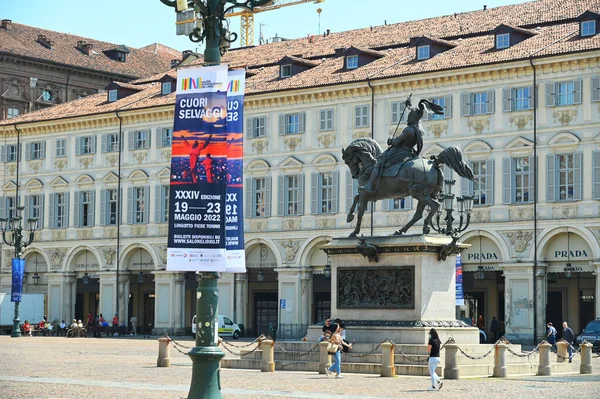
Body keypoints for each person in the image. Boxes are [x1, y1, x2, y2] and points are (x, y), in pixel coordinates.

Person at [361, 98, 442, 193]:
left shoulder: (409, 130)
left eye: (409, 116)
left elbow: (397, 142)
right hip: (409, 152)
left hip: (399, 152)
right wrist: (410, 106)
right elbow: (416, 113)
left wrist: (391, 140)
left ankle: (370, 185)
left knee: (378, 163)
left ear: (412, 118)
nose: (408, 118)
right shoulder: (419, 129)